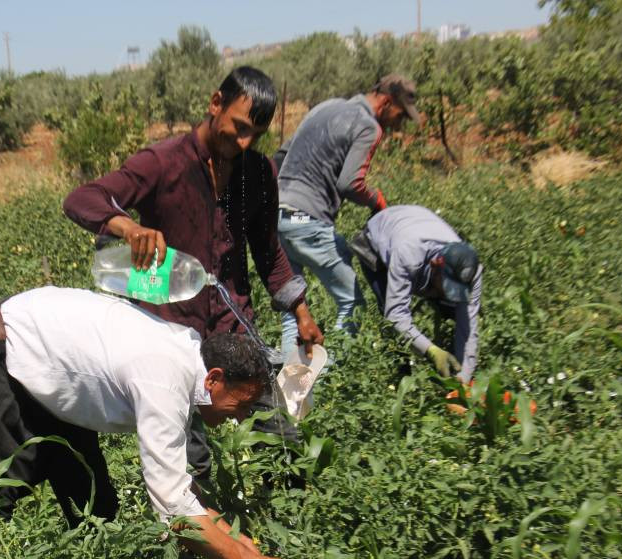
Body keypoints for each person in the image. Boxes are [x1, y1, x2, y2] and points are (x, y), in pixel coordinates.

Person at [0, 286, 309, 559]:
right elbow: (176, 512)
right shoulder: (164, 378)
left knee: (92, 503)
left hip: (50, 368)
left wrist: (239, 544)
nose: (239, 417)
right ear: (213, 379)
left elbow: (178, 489)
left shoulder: (186, 356)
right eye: (240, 405)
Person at [63, 65, 323, 479]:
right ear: (215, 103)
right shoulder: (162, 163)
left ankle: (290, 528)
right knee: (190, 462)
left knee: (281, 438)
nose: (243, 142)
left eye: (255, 134)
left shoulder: (258, 174)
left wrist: (301, 311)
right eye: (238, 128)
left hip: (233, 331)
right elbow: (83, 198)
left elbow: (268, 251)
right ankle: (199, 536)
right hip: (169, 334)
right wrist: (128, 226)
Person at [272, 74, 423, 355]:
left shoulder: (325, 107)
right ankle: (331, 380)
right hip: (307, 219)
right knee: (352, 303)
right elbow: (350, 183)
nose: (399, 124)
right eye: (400, 116)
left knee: (294, 304)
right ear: (386, 103)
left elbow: (279, 157)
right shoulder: (368, 126)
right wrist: (377, 200)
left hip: (278, 216)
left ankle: (289, 389)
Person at [349, 204, 482, 383]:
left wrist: (464, 379)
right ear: (436, 265)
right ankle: (400, 375)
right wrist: (431, 350)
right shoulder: (408, 254)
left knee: (455, 310)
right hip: (378, 241)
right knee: (391, 317)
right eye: (448, 287)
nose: (451, 293)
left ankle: (450, 368)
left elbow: (469, 325)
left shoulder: (472, 271)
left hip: (416, 226)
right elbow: (396, 315)